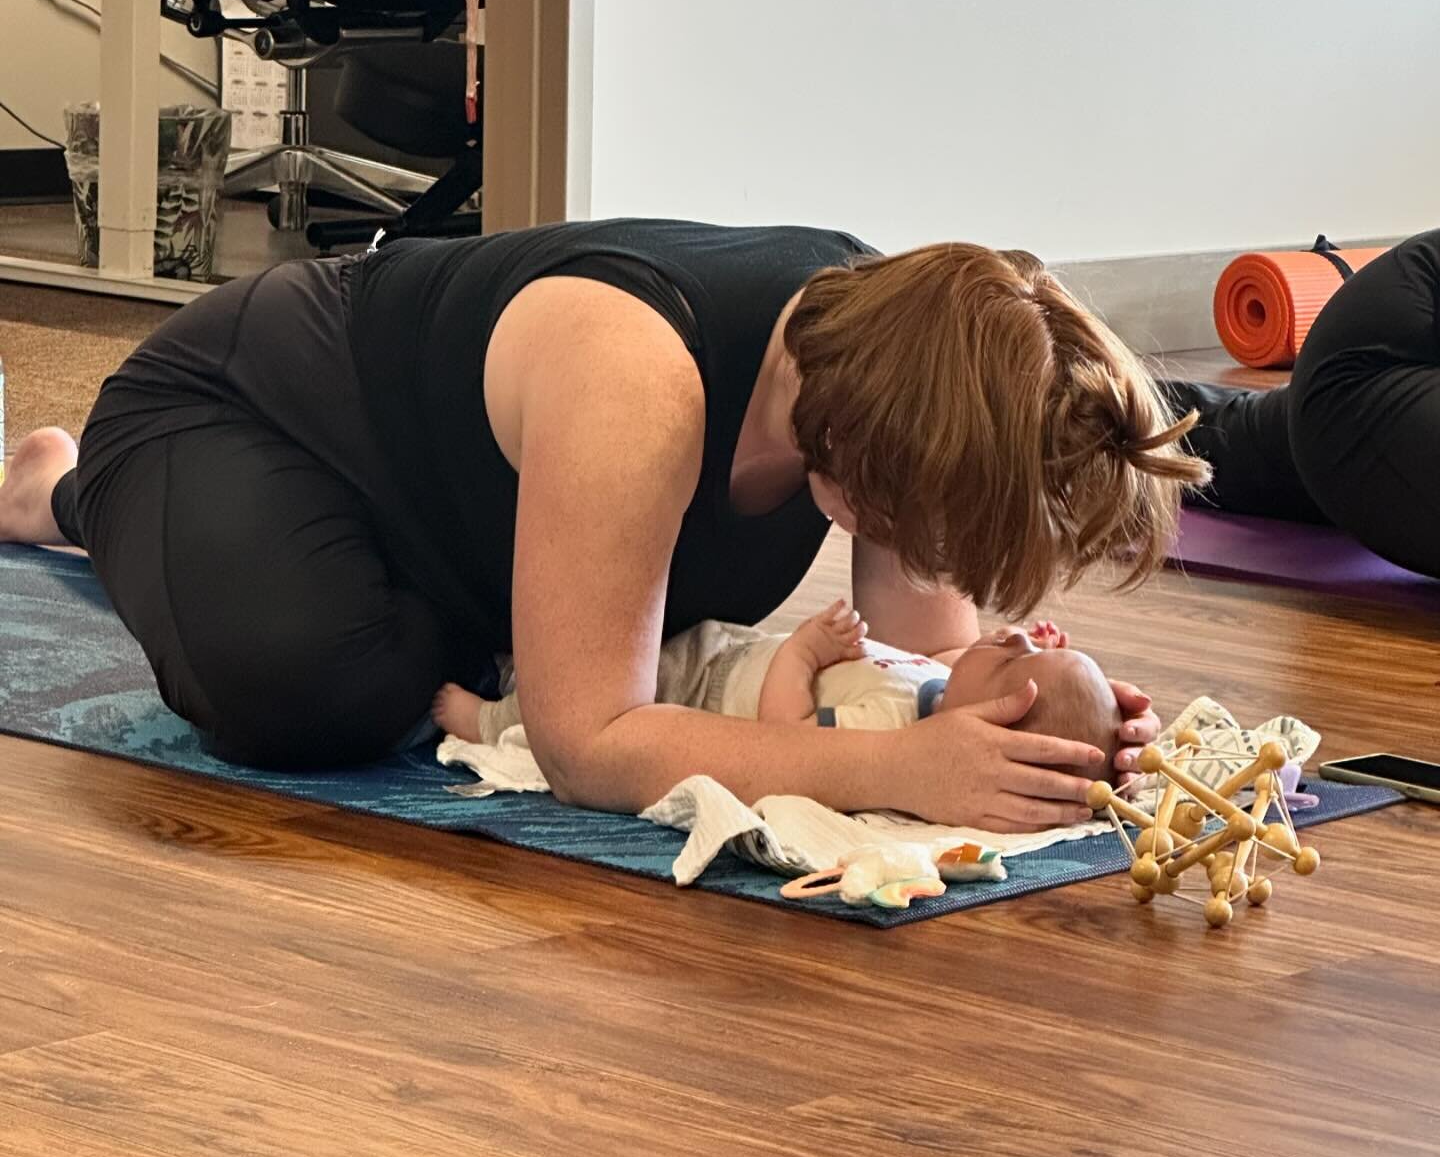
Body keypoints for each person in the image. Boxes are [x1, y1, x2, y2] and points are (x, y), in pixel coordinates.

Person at [0, 220, 1203, 830]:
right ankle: (64, 487)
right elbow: (590, 749)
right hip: (251, 413)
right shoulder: (642, 381)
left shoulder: (905, 370)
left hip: (474, 529)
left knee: (457, 654)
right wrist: (899, 768)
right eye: (934, 536)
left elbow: (922, 659)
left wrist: (1028, 720)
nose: (938, 564)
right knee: (322, 694)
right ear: (866, 468)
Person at [435, 604, 1121, 788]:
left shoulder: (891, 730)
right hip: (734, 649)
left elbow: (787, 731)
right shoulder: (941, 689)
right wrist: (1027, 650)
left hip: (708, 688)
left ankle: (485, 718)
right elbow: (941, 657)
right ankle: (518, 655)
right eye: (1030, 644)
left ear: (989, 717)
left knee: (584, 691)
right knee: (594, 645)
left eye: (1014, 666)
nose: (1013, 641)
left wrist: (804, 654)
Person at [1161, 227, 1440, 579]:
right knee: (1227, 436)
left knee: (1230, 441)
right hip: (1386, 347)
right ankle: (1096, 401)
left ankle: (1106, 406)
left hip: (1389, 339)